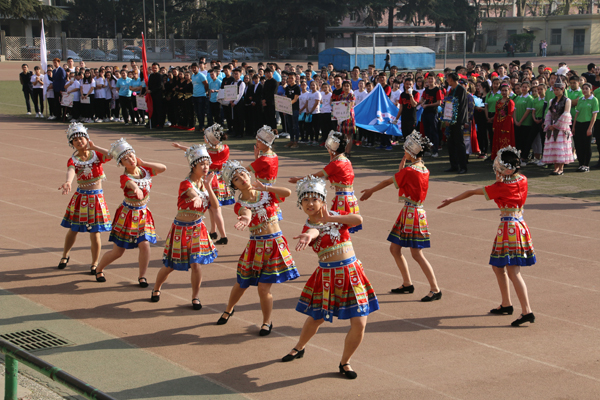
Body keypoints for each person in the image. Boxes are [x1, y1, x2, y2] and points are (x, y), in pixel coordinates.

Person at [282, 176, 379, 379]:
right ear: (300, 204)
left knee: (360, 322)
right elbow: (313, 231)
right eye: (305, 200)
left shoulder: (336, 215)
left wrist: (332, 219)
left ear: (322, 201)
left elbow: (358, 220)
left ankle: (345, 362)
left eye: (314, 199)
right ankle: (299, 347)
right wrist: (309, 235)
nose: (310, 203)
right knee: (316, 318)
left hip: (352, 274)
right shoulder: (307, 227)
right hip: (327, 276)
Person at [438, 146, 536, 327]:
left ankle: (527, 311)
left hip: (508, 227)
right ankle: (506, 304)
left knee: (513, 271)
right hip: (519, 224)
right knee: (498, 266)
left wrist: (452, 200)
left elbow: (471, 192)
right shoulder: (522, 179)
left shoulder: (500, 187)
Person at [216, 160, 299, 336]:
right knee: (242, 283)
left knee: (263, 288)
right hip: (256, 246)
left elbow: (288, 192)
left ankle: (266, 321)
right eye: (236, 179)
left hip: (274, 245)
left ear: (248, 174)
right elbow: (245, 212)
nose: (242, 179)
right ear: (234, 186)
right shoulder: (240, 204)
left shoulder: (267, 194)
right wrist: (246, 218)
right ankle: (229, 308)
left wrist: (266, 188)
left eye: (243, 174)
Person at [360, 131, 441, 301]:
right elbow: (404, 180)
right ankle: (407, 283)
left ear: (412, 152)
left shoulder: (410, 170)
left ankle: (435, 289)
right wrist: (402, 167)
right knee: (395, 249)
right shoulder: (423, 169)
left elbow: (388, 181)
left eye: (406, 150)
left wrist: (371, 191)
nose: (404, 152)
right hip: (413, 212)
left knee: (416, 254)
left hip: (411, 214)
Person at [153, 144, 219, 309]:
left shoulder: (206, 183)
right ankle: (156, 288)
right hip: (181, 228)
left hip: (197, 227)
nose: (205, 167)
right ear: (193, 166)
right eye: (201, 164)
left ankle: (195, 297)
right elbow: (192, 193)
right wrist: (196, 197)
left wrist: (208, 186)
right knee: (170, 266)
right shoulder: (186, 183)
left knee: (196, 263)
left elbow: (215, 206)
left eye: (207, 164)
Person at [94, 138, 167, 286]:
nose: (130, 159)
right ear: (121, 163)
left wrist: (144, 162)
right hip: (127, 215)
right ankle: (99, 268)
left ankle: (142, 276)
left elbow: (163, 168)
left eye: (131, 155)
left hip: (143, 214)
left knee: (145, 244)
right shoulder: (125, 177)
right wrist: (136, 189)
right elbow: (131, 184)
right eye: (125, 159)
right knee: (118, 252)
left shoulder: (145, 170)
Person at [58, 123, 112, 273]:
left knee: (95, 233)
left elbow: (112, 155)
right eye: (75, 140)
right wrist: (68, 182)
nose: (79, 141)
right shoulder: (73, 159)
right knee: (73, 229)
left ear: (87, 138)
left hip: (97, 199)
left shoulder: (96, 155)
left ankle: (95, 263)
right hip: (81, 198)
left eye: (81, 138)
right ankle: (65, 255)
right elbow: (71, 170)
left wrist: (95, 147)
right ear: (72, 143)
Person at [289, 131, 362, 233]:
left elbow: (316, 175)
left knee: (339, 228)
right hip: (350, 198)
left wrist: (298, 179)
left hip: (342, 199)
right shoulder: (346, 161)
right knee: (343, 227)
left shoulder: (335, 164)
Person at [542, 80, 574, 175]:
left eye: (557, 90)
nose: (555, 92)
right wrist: (548, 124)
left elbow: (566, 114)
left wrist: (556, 125)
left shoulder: (567, 100)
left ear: (562, 89)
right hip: (552, 126)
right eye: (554, 90)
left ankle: (561, 168)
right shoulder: (552, 101)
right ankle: (555, 168)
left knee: (561, 147)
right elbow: (549, 113)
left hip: (562, 127)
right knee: (554, 148)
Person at [444, 73, 469, 174]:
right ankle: (453, 165)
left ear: (451, 79)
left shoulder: (461, 89)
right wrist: (447, 118)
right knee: (451, 143)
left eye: (447, 78)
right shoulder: (452, 90)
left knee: (459, 144)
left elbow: (462, 107)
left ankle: (463, 167)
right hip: (451, 120)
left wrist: (457, 120)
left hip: (458, 121)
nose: (446, 80)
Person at [572, 82, 597, 172]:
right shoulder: (581, 100)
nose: (584, 90)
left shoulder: (594, 100)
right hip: (579, 124)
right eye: (583, 89)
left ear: (591, 90)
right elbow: (577, 114)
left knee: (586, 145)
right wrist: (574, 127)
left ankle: (586, 165)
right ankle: (581, 163)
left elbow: (594, 115)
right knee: (578, 145)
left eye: (587, 88)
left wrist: (590, 128)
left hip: (587, 124)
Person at [420, 73, 443, 157]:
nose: (430, 80)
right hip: (425, 113)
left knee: (434, 132)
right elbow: (422, 99)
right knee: (427, 132)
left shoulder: (437, 90)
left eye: (431, 78)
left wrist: (427, 105)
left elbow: (439, 102)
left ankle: (435, 150)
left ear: (435, 79)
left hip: (433, 113)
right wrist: (422, 103)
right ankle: (427, 150)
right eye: (429, 78)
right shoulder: (426, 89)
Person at [491, 84, 516, 157]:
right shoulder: (498, 101)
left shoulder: (510, 102)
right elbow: (496, 114)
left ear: (509, 91)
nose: (504, 92)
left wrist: (506, 127)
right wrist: (494, 125)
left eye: (506, 90)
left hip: (506, 124)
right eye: (502, 90)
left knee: (505, 141)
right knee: (497, 141)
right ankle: (498, 158)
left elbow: (510, 115)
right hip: (498, 124)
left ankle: (505, 158)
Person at [191, 62, 209, 131]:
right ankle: (199, 125)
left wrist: (205, 91)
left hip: (201, 96)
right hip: (194, 96)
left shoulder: (201, 75)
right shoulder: (193, 76)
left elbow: (206, 84)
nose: (194, 69)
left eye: (195, 68)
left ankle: (202, 126)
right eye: (193, 68)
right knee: (197, 112)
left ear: (198, 68)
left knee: (201, 112)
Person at [148, 62, 165, 128]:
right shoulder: (151, 76)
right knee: (153, 109)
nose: (154, 69)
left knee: (159, 110)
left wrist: (152, 90)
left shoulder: (160, 76)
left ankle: (160, 124)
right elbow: (149, 84)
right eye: (153, 68)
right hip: (152, 95)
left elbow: (160, 86)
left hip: (158, 95)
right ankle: (154, 123)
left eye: (155, 68)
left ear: (158, 68)